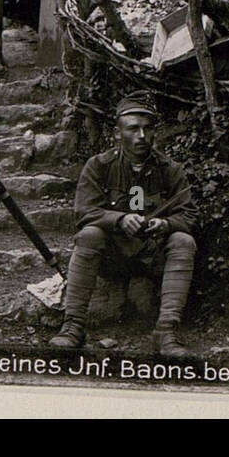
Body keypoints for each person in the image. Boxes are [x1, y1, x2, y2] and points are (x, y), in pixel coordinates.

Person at [49, 94, 198, 358]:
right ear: (118, 133)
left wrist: (165, 223)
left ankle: (166, 330)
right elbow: (84, 212)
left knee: (184, 241)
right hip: (111, 256)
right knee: (89, 234)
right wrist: (118, 219)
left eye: (148, 128)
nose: (141, 135)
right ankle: (73, 326)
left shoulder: (170, 170)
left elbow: (188, 215)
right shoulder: (99, 166)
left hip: (153, 255)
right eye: (133, 128)